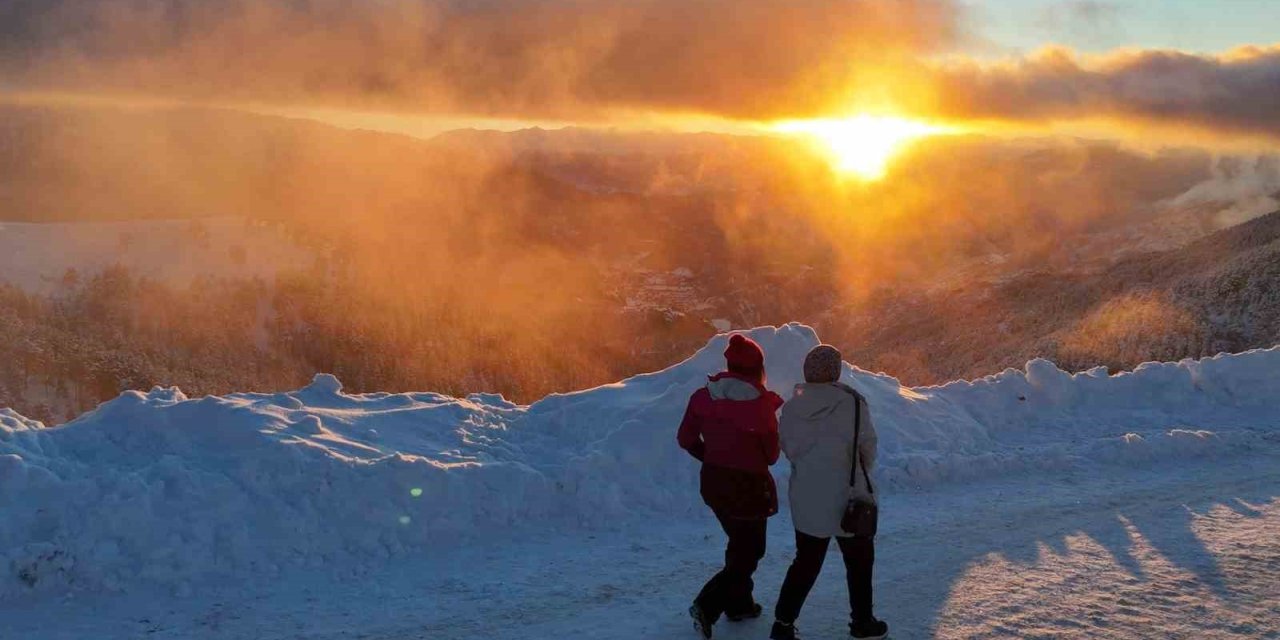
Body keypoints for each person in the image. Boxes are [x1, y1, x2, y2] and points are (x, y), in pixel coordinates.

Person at [769, 344, 889, 640]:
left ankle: (782, 625)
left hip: (807, 496)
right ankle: (862, 623)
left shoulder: (791, 406)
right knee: (859, 563)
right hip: (849, 497)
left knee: (805, 563)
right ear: (835, 372)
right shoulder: (853, 402)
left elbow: (789, 449)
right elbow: (867, 449)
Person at [677, 333, 784, 639]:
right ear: (757, 368)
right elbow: (772, 456)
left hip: (713, 482)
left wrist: (710, 456)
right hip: (748, 488)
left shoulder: (703, 396)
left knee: (739, 544)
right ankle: (706, 605)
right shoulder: (761, 406)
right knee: (750, 551)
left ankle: (740, 605)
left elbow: (685, 439)